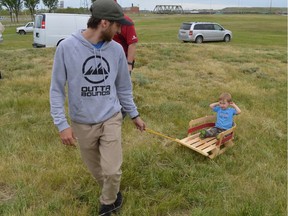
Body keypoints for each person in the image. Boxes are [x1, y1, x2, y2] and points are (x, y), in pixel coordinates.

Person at [49, 0, 146, 215]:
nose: (120, 30)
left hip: (111, 116)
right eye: (117, 25)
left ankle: (107, 205)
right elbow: (56, 89)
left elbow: (123, 87)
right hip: (82, 121)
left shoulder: (117, 50)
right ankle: (113, 193)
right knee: (99, 172)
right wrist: (62, 124)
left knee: (112, 172)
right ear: (104, 23)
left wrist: (134, 114)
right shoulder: (66, 47)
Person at [113, 0, 138, 75]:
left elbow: (132, 43)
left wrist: (129, 64)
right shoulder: (101, 21)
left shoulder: (126, 21)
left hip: (123, 59)